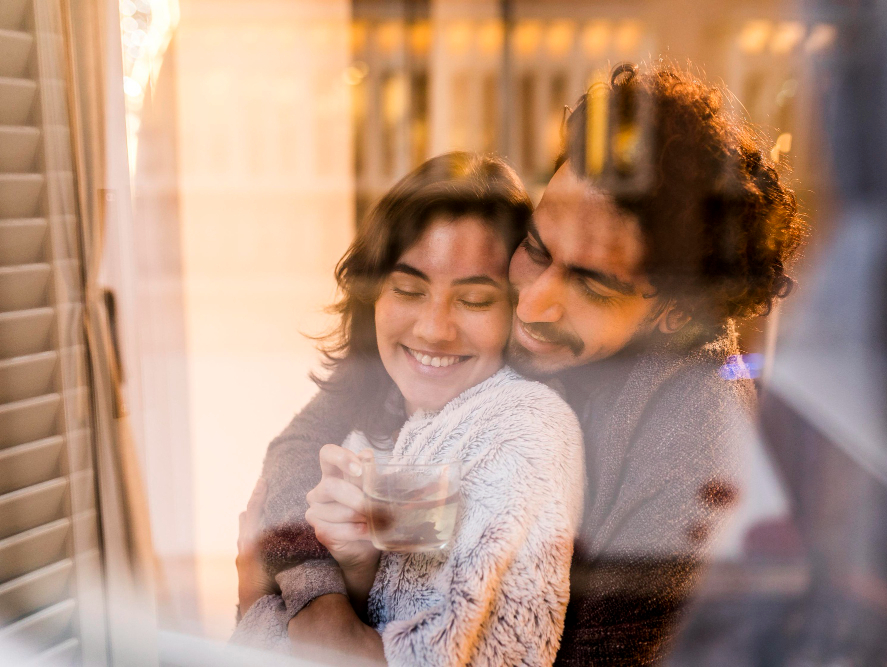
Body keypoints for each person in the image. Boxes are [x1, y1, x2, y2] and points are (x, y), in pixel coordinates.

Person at [238, 61, 804, 665]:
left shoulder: (694, 444)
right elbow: (300, 452)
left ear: (674, 311)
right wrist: (324, 598)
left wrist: (313, 619)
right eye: (535, 249)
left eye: (590, 285)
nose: (530, 306)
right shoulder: (474, 323)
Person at [233, 152, 584, 666]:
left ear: (516, 309)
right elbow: (291, 453)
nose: (434, 329)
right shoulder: (373, 395)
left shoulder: (524, 430)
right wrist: (342, 576)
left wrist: (275, 603)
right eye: (408, 290)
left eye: (475, 300)